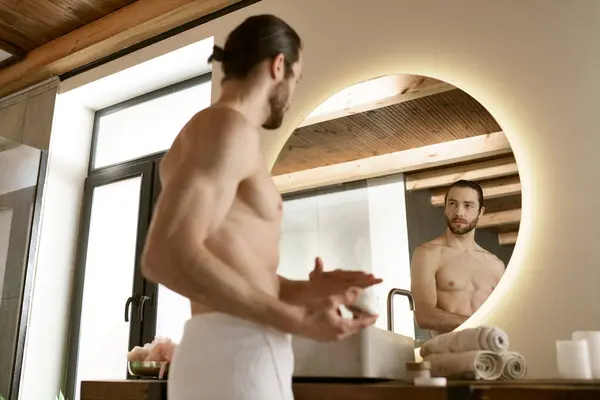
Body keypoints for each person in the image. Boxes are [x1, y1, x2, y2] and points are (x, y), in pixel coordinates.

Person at [141, 14, 382, 400]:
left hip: (221, 352)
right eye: (296, 80)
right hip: (241, 351)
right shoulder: (229, 129)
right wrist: (296, 319)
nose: (293, 93)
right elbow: (165, 254)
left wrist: (305, 290)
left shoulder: (209, 130)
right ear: (279, 65)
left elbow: (230, 268)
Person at [410, 179, 505, 336]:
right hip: (448, 354)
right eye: (452, 204)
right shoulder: (428, 254)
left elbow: (504, 314)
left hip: (489, 353)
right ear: (445, 208)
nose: (459, 212)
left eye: (468, 205)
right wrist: (481, 325)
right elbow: (424, 315)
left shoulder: (495, 264)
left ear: (480, 212)